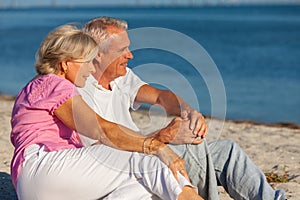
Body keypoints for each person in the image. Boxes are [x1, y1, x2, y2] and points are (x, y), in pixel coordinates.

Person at [78, 16, 286, 200]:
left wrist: (189, 112)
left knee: (227, 152)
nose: (130, 55)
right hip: (131, 167)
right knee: (192, 145)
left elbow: (161, 96)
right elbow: (102, 153)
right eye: (122, 50)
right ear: (97, 54)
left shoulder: (121, 77)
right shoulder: (81, 92)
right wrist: (162, 136)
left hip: (149, 151)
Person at [10, 24, 203, 200]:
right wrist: (158, 146)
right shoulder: (54, 84)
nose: (90, 67)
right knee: (145, 163)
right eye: (86, 61)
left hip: (42, 182)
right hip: (44, 168)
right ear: (65, 63)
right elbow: (101, 130)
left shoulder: (36, 87)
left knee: (140, 189)